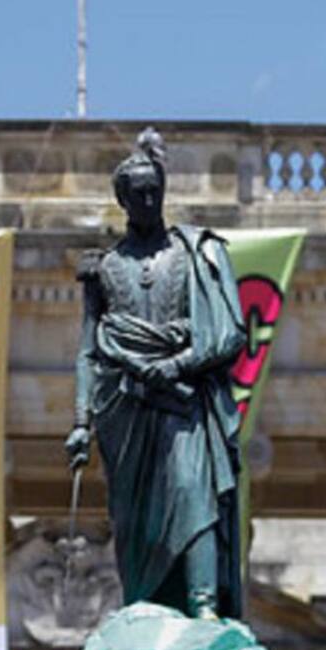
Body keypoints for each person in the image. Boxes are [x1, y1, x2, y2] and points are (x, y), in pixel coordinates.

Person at [64, 127, 246, 620]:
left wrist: (176, 364)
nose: (149, 200)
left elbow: (230, 332)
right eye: (138, 193)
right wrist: (82, 421)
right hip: (125, 408)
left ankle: (204, 606)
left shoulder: (199, 252)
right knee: (134, 521)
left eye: (155, 191)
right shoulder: (103, 270)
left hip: (184, 400)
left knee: (194, 490)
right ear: (121, 199)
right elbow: (89, 350)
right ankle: (143, 610)